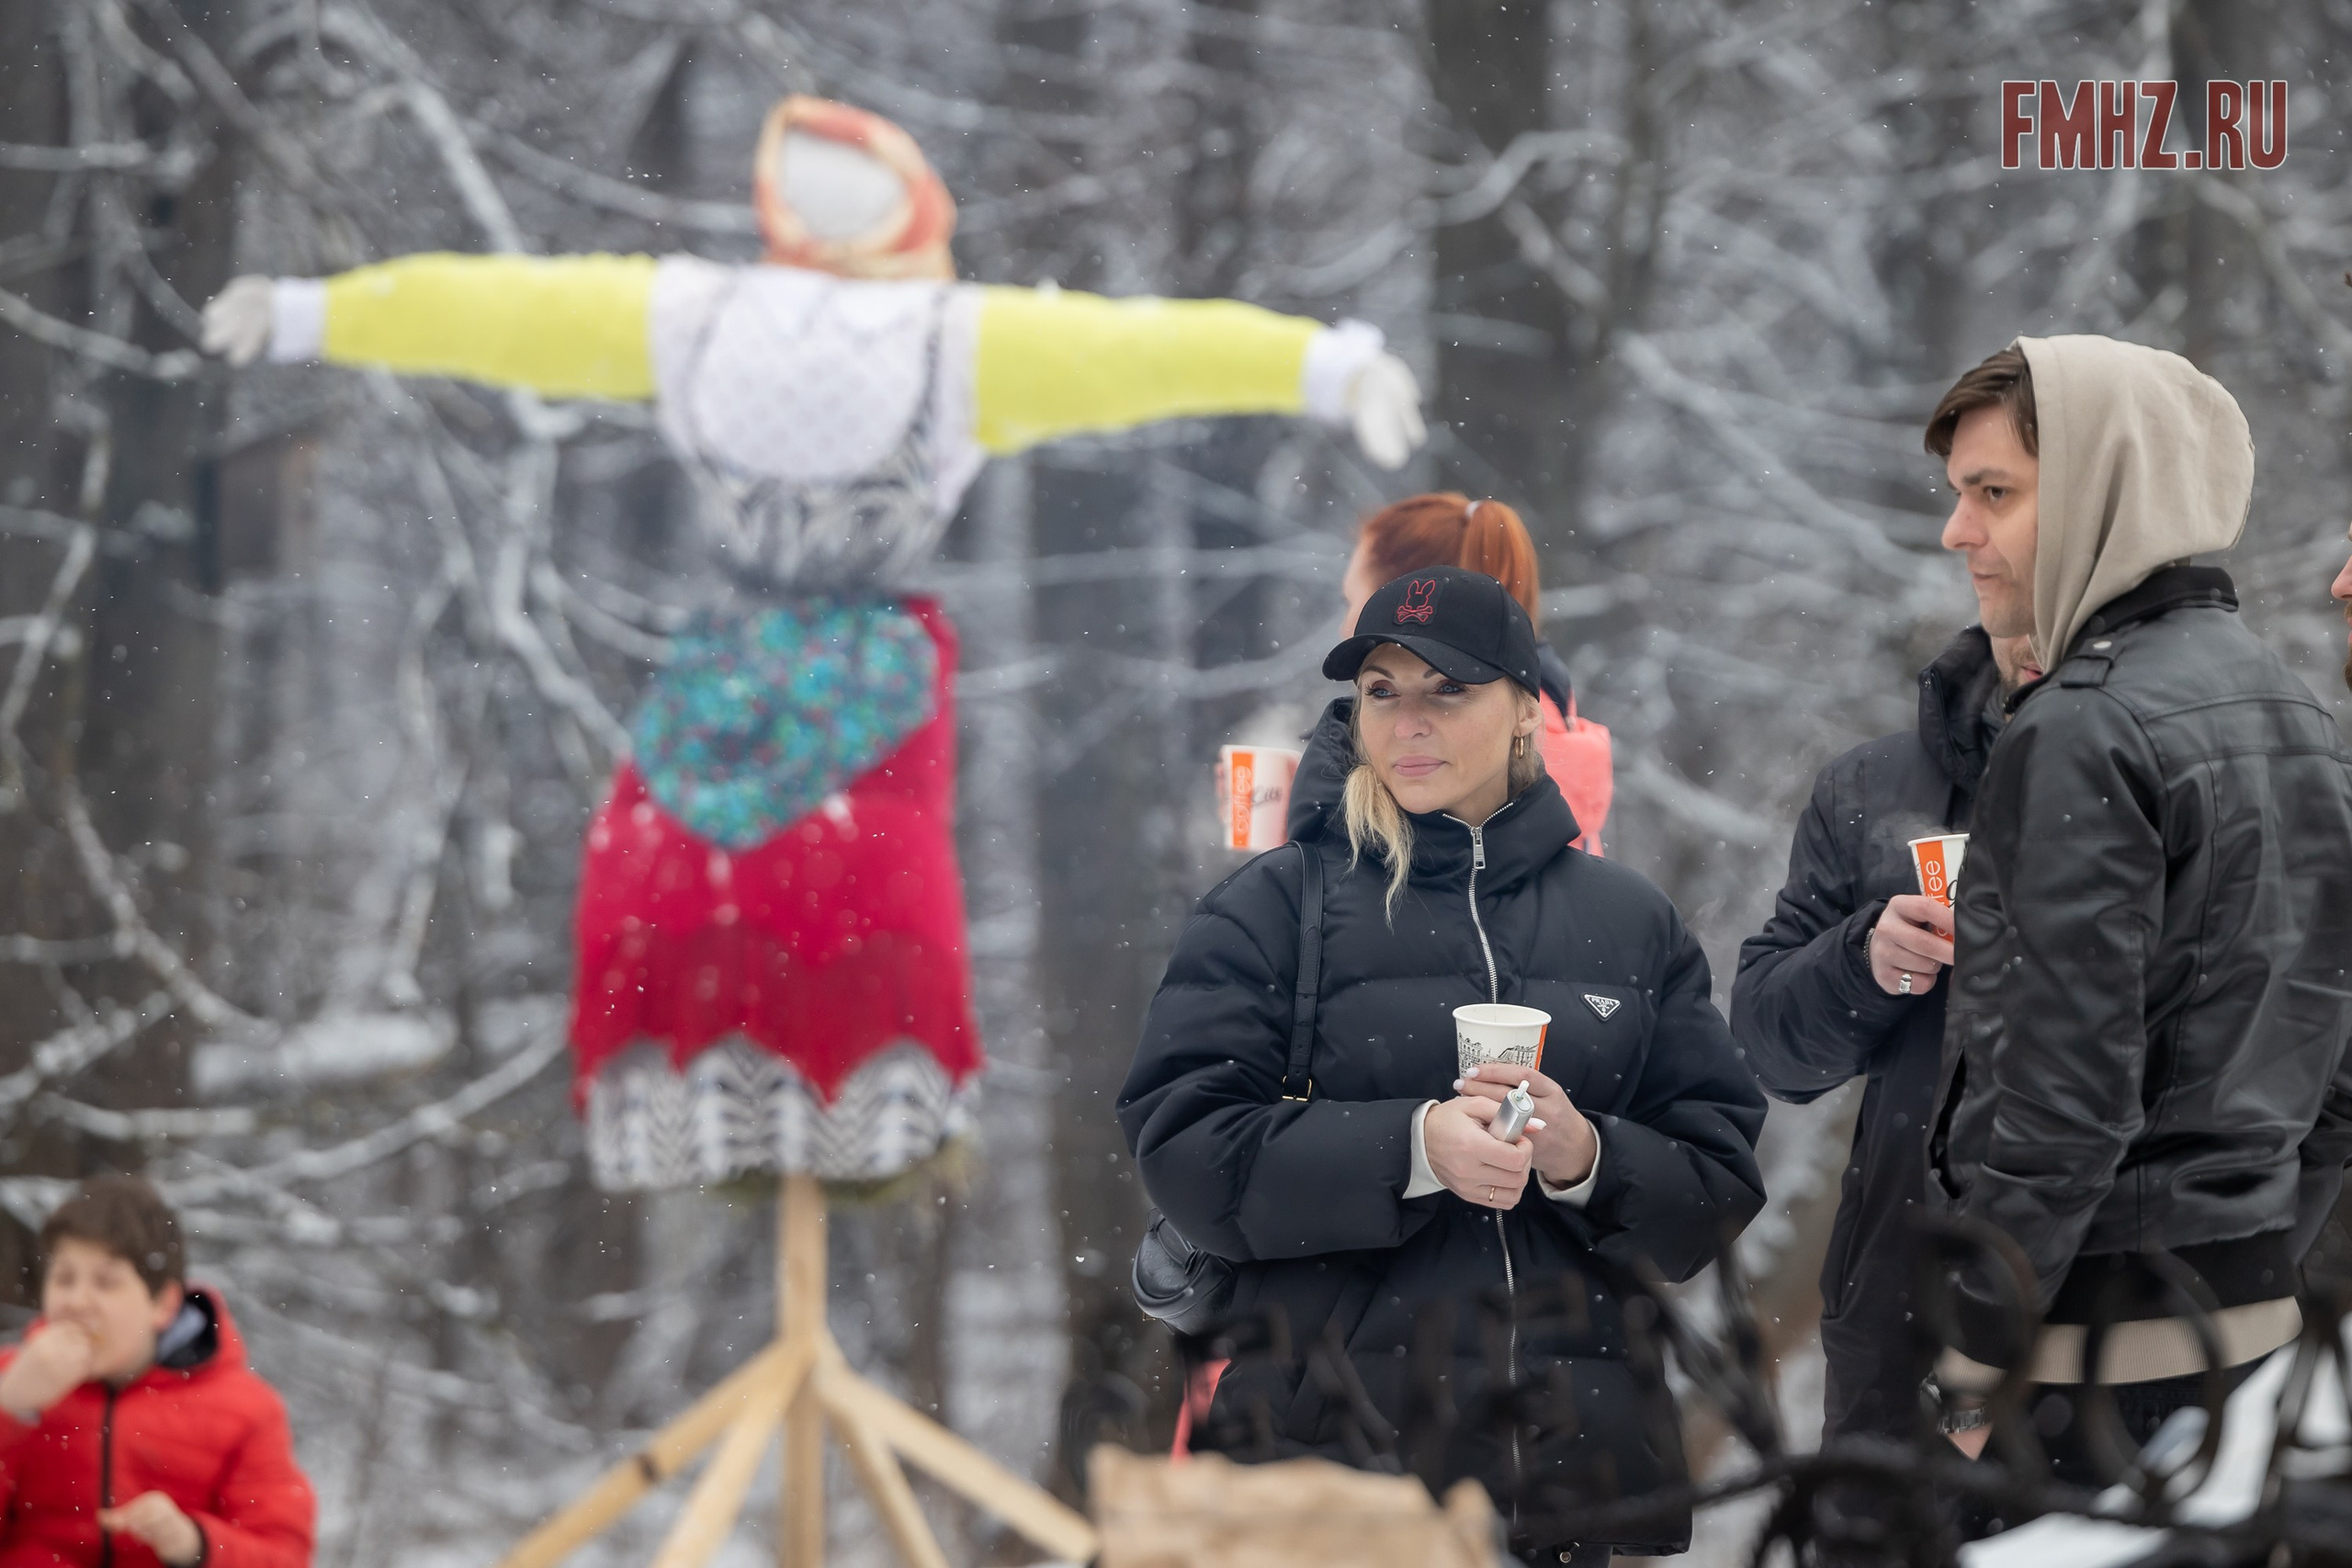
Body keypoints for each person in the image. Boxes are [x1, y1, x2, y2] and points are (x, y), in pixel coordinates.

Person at [200, 96, 1427, 1193]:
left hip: (718, 673)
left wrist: (318, 312)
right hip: (877, 681)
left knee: (668, 891)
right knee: (876, 905)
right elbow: (1146, 352)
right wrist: (1323, 365)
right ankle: (869, 1099)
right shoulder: (954, 344)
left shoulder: (693, 318)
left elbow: (495, 312)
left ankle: (691, 1087)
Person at [1119, 566, 1766, 1563]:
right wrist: (1412, 1147)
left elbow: (1715, 1186)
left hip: (1566, 1484)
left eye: (1445, 691)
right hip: (1328, 1480)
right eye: (1382, 690)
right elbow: (1186, 1151)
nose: (1407, 722)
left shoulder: (1629, 922)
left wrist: (1586, 1156)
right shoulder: (1269, 908)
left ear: (1521, 712)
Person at [1921, 339, 2352, 1483]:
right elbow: (2335, 1066)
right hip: (2249, 1329)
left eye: (1995, 494)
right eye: (1959, 495)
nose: (1957, 533)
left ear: (2113, 496)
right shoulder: (2292, 706)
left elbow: (2066, 1101)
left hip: (2085, 1357)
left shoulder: (2078, 728)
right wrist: (2252, 1242)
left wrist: (1977, 1345)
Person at [1731, 626, 2038, 1448]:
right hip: (1893, 1304)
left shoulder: (2167, 770)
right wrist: (1863, 960)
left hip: (2108, 1308)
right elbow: (1767, 1041)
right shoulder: (1873, 785)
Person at [0, 1177, 314, 1568]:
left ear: (163, 1305)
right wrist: (9, 1412)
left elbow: (283, 1555)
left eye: (106, 1282)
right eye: (64, 1278)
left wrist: (193, 1544)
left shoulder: (248, 1411)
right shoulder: (8, 1380)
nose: (76, 1301)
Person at [1335, 494, 1611, 854]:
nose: (1345, 628)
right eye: (1382, 692)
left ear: (1415, 605)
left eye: (1355, 601)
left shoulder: (1516, 754)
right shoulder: (1544, 725)